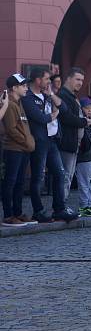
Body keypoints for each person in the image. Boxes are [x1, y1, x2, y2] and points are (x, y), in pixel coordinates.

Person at [22, 68, 77, 223]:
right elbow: (40, 118)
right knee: (38, 177)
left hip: (52, 140)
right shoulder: (27, 98)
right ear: (38, 80)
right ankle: (38, 211)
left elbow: (64, 108)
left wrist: (51, 95)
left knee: (60, 174)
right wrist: (54, 114)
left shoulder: (47, 95)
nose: (49, 82)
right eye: (47, 79)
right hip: (39, 142)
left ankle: (59, 209)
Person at [2, 75, 35, 226]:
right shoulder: (9, 104)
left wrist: (28, 143)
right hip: (14, 149)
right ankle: (9, 215)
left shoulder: (19, 103)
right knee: (11, 182)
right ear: (14, 88)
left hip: (23, 149)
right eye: (23, 85)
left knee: (20, 182)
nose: (26, 88)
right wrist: (26, 142)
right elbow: (11, 130)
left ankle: (18, 212)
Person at [56, 67, 89, 202]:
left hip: (73, 143)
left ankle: (62, 205)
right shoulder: (63, 95)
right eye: (77, 79)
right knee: (65, 177)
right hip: (66, 142)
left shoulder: (71, 95)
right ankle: (60, 207)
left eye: (82, 80)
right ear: (68, 78)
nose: (80, 83)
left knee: (68, 177)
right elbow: (66, 117)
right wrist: (84, 121)